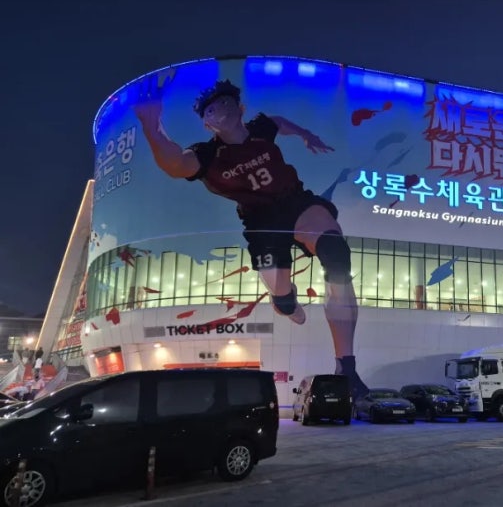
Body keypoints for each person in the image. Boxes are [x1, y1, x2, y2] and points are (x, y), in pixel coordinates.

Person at [134, 78, 369, 398]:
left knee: (336, 254)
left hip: (296, 203)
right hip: (262, 223)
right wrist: (152, 126)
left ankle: (346, 366)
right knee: (283, 300)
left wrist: (305, 134)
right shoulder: (207, 155)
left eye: (226, 103)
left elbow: (279, 122)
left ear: (240, 108)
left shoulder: (260, 129)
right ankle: (285, 301)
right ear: (206, 124)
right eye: (211, 110)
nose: (221, 111)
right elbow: (175, 164)